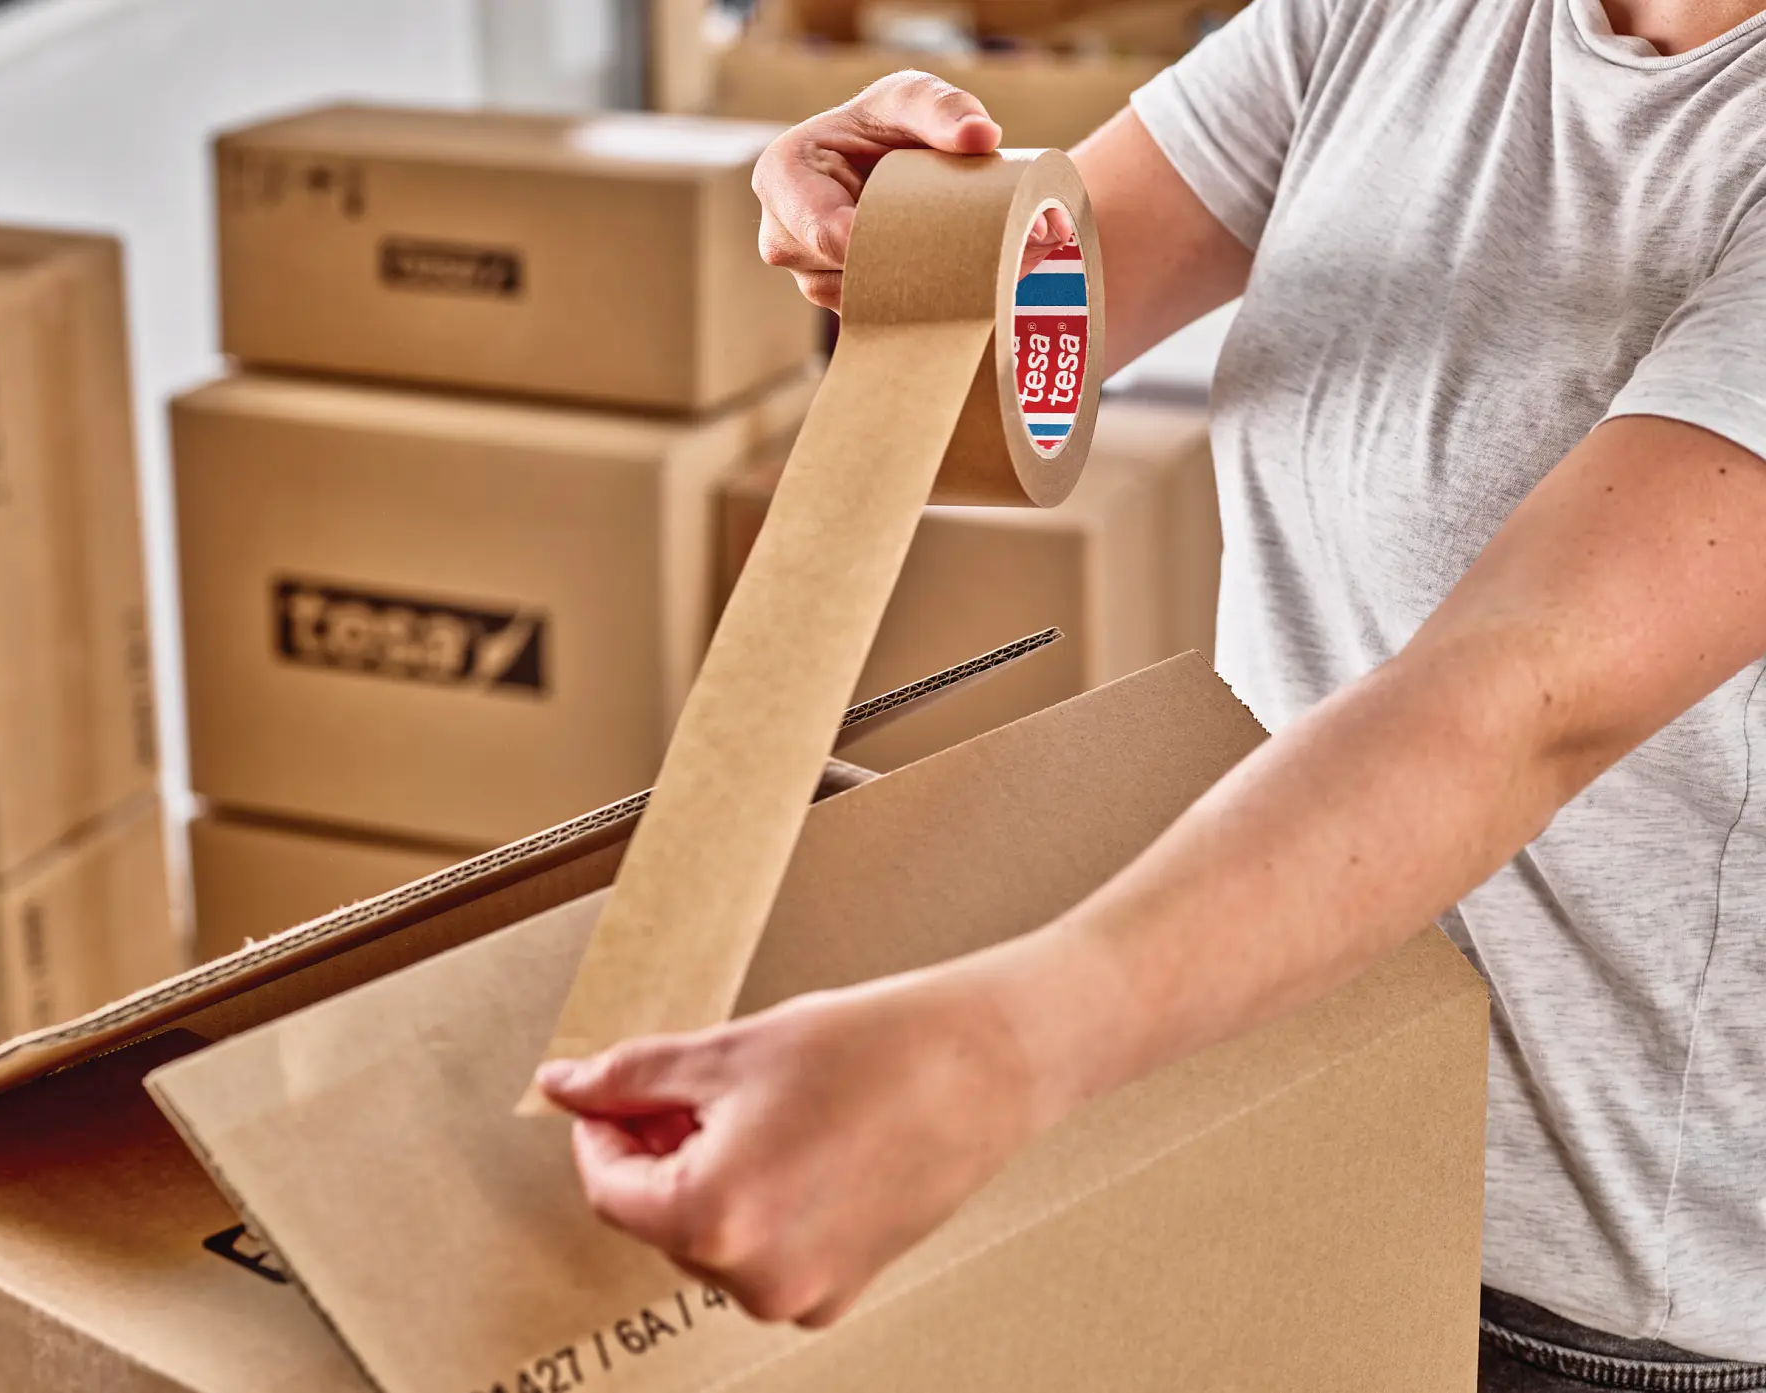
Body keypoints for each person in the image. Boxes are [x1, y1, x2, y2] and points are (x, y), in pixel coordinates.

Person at [533, 1, 1766, 1387]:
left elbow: (1522, 701)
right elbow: (1004, 351)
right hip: (1271, 1115)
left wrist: (985, 1063)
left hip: (1583, 1308)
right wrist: (900, 238)